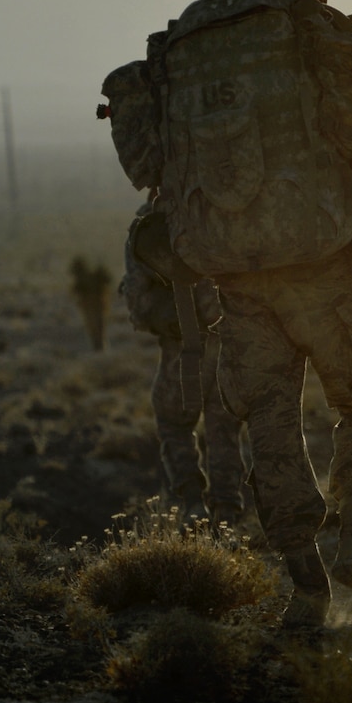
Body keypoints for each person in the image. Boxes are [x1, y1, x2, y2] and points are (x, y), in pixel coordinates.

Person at [103, 0, 352, 627]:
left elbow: (152, 170)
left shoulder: (196, 51)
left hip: (233, 274)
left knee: (269, 426)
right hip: (320, 264)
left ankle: (306, 586)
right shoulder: (317, 35)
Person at [119, 202, 245, 522]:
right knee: (225, 428)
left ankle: (191, 502)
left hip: (183, 350)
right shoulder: (227, 215)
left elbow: (136, 301)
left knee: (173, 423)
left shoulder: (151, 228)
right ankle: (227, 511)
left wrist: (161, 317)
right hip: (231, 347)